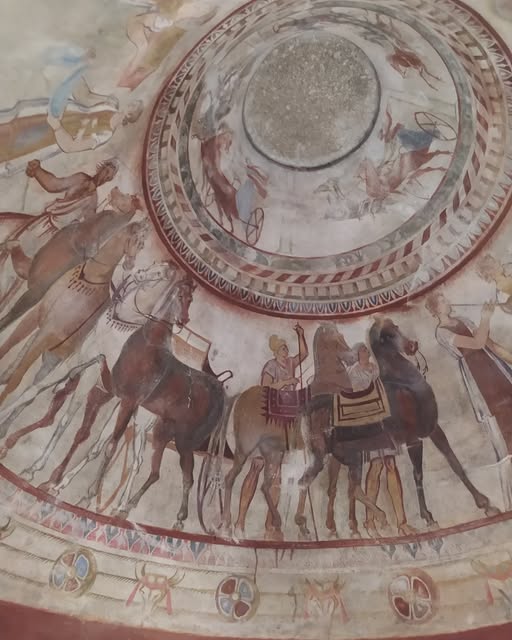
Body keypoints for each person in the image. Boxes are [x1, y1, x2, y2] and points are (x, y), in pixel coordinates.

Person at [426, 291, 512, 507]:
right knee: (506, 430)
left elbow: (489, 344)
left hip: (495, 369)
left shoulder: (463, 320)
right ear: (435, 309)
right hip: (481, 378)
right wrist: (485, 318)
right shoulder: (441, 333)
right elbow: (477, 343)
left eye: (446, 298)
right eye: (442, 300)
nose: (448, 301)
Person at [347, 343, 412, 536]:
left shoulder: (375, 368)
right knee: (376, 466)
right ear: (357, 354)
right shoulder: (353, 372)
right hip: (369, 422)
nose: (366, 352)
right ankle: (369, 521)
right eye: (362, 350)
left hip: (384, 420)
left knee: (391, 465)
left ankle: (402, 523)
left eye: (366, 350)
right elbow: (357, 395)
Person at [261, 325, 308, 391]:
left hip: (291, 395)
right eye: (283, 349)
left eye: (287, 349)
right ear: (276, 352)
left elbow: (304, 353)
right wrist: (287, 382)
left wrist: (300, 335)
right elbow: (265, 388)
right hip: (275, 397)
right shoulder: (271, 365)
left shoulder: (290, 361)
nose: (287, 351)